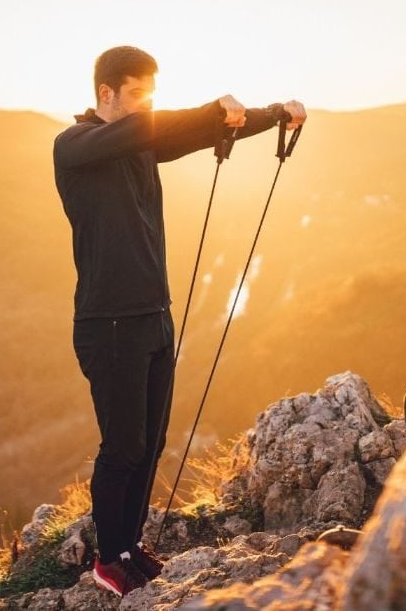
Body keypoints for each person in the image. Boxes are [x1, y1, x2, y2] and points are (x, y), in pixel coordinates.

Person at [53, 46, 306, 598]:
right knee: (121, 444)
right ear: (105, 94)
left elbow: (196, 132)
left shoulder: (141, 145)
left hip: (152, 317)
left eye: (151, 95)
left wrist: (272, 115)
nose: (146, 107)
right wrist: (211, 107)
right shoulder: (75, 146)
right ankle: (109, 556)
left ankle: (130, 544)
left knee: (152, 440)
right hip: (109, 323)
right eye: (137, 95)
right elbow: (154, 129)